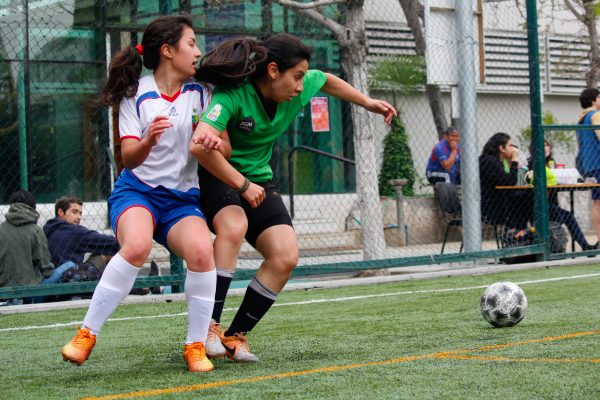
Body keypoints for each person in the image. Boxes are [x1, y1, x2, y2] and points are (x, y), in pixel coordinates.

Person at [189, 34, 397, 362]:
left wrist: (368, 103)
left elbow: (325, 80)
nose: (301, 86)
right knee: (233, 226)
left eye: (302, 77)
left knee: (285, 256)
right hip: (219, 177)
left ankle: (234, 335)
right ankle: (208, 327)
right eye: (296, 77)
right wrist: (242, 184)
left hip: (259, 180)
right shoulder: (232, 95)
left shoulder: (297, 89)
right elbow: (200, 147)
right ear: (273, 71)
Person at [60, 14, 219, 373]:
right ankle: (86, 334)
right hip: (138, 192)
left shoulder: (203, 91)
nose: (198, 52)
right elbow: (129, 157)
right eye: (191, 43)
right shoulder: (136, 93)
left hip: (181, 199)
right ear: (168, 51)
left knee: (201, 252)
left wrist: (214, 140)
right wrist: (148, 139)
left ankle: (195, 346)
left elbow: (220, 141)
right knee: (136, 246)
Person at [0, 190, 75, 303]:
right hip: (30, 295)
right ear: (33, 208)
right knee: (70, 265)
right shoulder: (36, 230)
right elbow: (47, 270)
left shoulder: (1, 229)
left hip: (3, 293)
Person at [527, 140, 598, 251]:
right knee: (565, 215)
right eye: (542, 146)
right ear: (534, 150)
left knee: (568, 216)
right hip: (538, 206)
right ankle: (577, 246)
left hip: (552, 203)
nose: (545, 148)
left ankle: (585, 246)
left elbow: (557, 178)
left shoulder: (551, 163)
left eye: (547, 145)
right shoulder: (533, 163)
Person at [44, 195, 120, 268]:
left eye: (80, 213)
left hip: (51, 275)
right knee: (107, 252)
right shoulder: (75, 231)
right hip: (72, 274)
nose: (79, 217)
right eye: (74, 212)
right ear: (60, 212)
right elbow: (111, 242)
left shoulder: (48, 229)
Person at [479, 132, 533, 230]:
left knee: (527, 195)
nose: (513, 149)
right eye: (510, 145)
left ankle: (521, 231)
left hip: (499, 201)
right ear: (502, 148)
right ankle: (519, 231)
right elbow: (509, 182)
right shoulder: (489, 161)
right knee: (527, 197)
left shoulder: (494, 161)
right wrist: (514, 161)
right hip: (492, 207)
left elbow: (509, 181)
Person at [576, 88, 600, 243]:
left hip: (589, 166)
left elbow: (580, 145)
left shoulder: (581, 119)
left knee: (596, 203)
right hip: (599, 163)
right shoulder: (596, 115)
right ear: (593, 100)